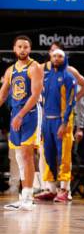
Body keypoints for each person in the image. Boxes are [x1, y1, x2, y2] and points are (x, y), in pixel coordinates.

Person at [0, 36, 43, 210]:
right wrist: (16, 115)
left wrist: (20, 115)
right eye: (20, 46)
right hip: (16, 114)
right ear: (14, 48)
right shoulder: (10, 70)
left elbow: (35, 95)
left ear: (30, 49)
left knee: (27, 155)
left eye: (26, 47)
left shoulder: (35, 67)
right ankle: (23, 196)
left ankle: (28, 197)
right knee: (19, 156)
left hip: (30, 114)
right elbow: (3, 94)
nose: (23, 50)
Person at [36, 48, 76, 203]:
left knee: (64, 156)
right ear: (50, 58)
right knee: (48, 155)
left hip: (62, 121)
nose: (57, 58)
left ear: (65, 58)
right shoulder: (46, 76)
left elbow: (71, 102)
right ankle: (51, 189)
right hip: (47, 121)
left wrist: (65, 123)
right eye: (54, 56)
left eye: (60, 56)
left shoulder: (68, 77)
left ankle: (65, 189)